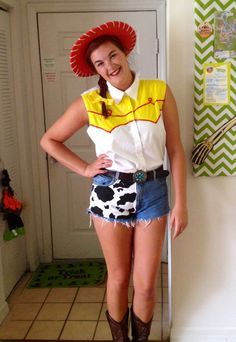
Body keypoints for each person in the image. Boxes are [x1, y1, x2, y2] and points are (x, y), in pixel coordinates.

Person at [40, 21, 188, 341]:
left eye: (113, 55)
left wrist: (181, 203)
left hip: (153, 192)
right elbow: (49, 140)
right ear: (95, 69)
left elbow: (175, 149)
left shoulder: (158, 91)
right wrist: (83, 169)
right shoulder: (89, 101)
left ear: (125, 53)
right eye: (100, 63)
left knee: (146, 283)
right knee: (119, 278)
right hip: (110, 192)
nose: (110, 65)